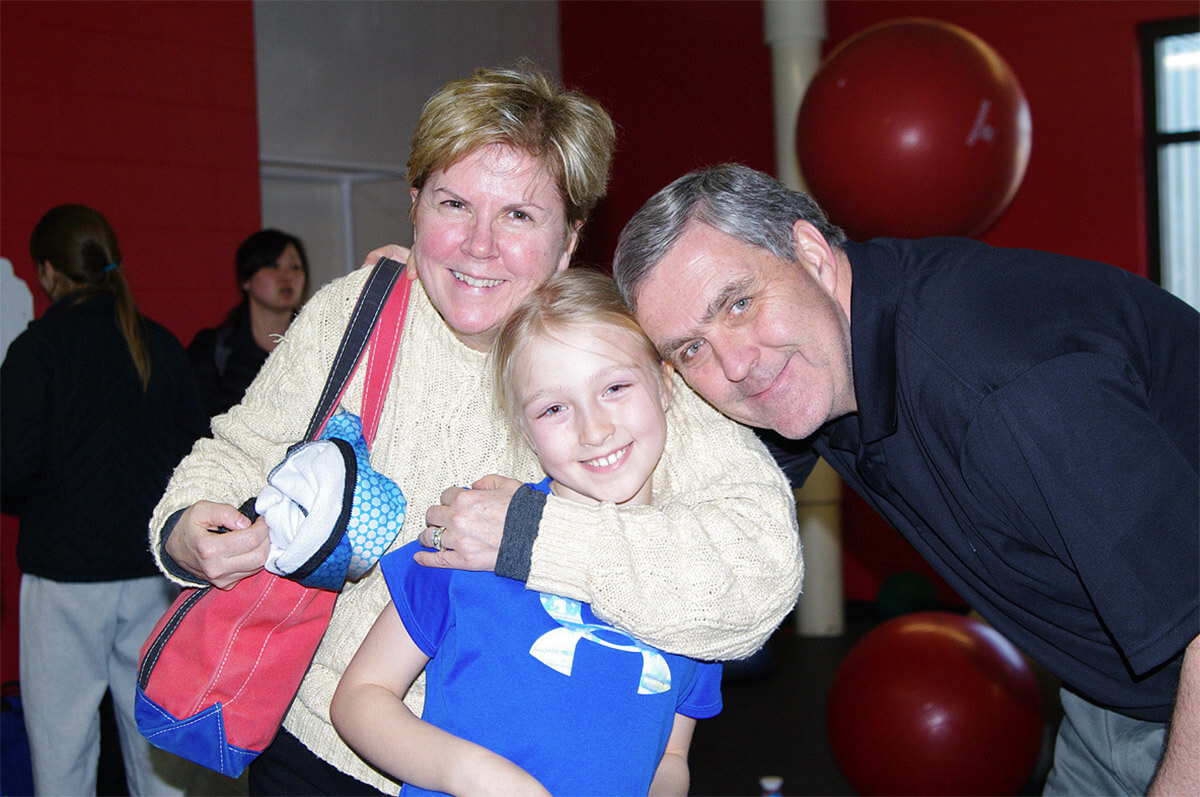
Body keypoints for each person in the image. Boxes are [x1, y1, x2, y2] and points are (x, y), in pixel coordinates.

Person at [149, 68, 801, 795]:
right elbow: (239, 451)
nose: (478, 245)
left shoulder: (618, 359)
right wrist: (187, 524)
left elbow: (761, 573)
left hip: (537, 770)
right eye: (454, 203)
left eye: (520, 215)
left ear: (568, 239)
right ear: (415, 206)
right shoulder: (355, 313)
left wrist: (529, 536)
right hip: (323, 744)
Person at [611, 162, 1199, 797]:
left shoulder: (1003, 387)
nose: (736, 365)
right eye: (690, 349)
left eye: (738, 302)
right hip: (1114, 697)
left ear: (810, 253)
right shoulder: (825, 353)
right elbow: (686, 516)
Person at [332, 269, 722, 796]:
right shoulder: (471, 540)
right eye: (554, 408)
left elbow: (672, 753)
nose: (595, 428)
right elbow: (361, 696)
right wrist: (472, 775)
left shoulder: (700, 575)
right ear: (524, 427)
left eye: (615, 387)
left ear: (665, 383)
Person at [1, 204, 208, 795]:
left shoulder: (37, 349)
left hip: (65, 581)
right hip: (152, 576)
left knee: (62, 754)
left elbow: (10, 471)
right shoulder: (160, 345)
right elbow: (197, 460)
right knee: (156, 756)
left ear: (46, 272)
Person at [188, 228, 309, 418]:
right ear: (246, 279)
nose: (286, 276)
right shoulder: (213, 349)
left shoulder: (315, 347)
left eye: (295, 267)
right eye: (272, 266)